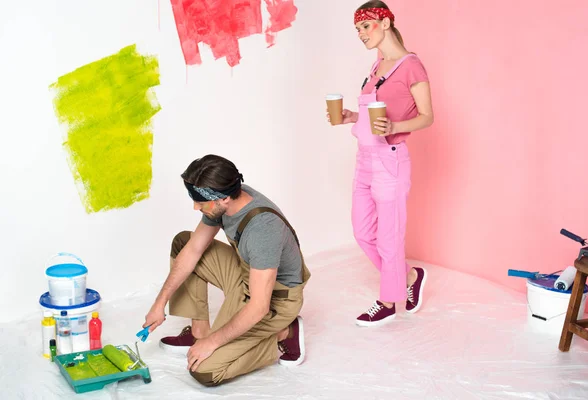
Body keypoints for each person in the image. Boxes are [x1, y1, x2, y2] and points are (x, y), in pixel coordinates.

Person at [143, 155, 310, 386]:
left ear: (222, 199)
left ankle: (284, 333)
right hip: (246, 274)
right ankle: (199, 332)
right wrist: (159, 303)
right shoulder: (225, 200)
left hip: (274, 300)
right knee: (183, 242)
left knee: (205, 371)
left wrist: (213, 343)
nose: (196, 207)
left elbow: (259, 306)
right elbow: (192, 250)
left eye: (201, 202)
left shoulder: (263, 230)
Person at [327, 1, 434, 327]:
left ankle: (388, 301)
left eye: (365, 26)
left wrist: (395, 128)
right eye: (358, 29)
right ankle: (410, 276)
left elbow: (427, 117)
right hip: (364, 160)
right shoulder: (378, 65)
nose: (360, 34)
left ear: (385, 22)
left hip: (390, 162)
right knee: (362, 232)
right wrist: (351, 117)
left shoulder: (411, 65)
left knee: (389, 237)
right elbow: (374, 117)